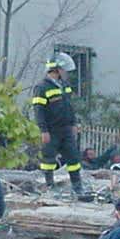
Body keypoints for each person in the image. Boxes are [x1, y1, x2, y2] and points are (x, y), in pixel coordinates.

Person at [32, 53, 84, 196]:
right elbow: (39, 110)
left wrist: (73, 123)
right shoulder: (41, 87)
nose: (66, 73)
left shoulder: (65, 86)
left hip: (66, 129)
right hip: (51, 130)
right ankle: (49, 185)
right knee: (48, 159)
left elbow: (69, 106)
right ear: (57, 70)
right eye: (64, 70)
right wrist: (43, 130)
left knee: (73, 158)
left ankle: (78, 187)